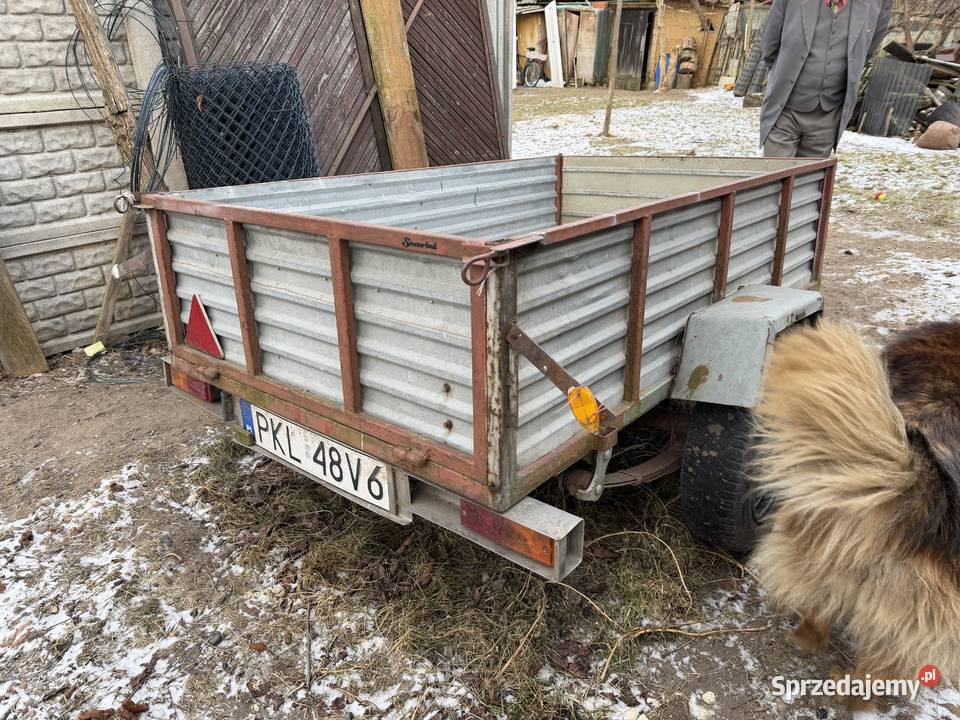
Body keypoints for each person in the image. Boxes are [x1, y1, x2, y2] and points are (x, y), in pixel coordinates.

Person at [759, 0, 893, 157]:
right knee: (777, 178)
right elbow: (769, 45)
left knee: (811, 180)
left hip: (828, 117)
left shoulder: (880, 2)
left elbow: (867, 50)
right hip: (784, 111)